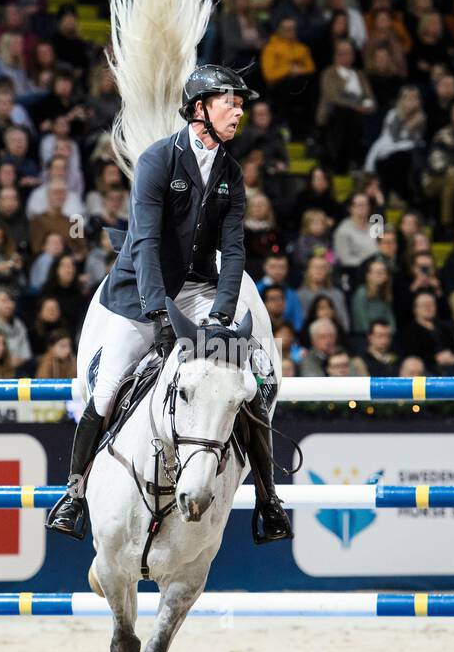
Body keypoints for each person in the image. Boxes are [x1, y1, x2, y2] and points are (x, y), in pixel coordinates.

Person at [45, 65, 292, 545]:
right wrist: (158, 313)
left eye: (240, 104)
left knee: (249, 377)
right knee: (110, 383)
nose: (239, 110)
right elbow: (145, 245)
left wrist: (221, 315)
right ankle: (74, 492)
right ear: (200, 109)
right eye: (230, 102)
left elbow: (235, 250)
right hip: (140, 291)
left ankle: (268, 497)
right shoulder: (159, 160)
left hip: (200, 289)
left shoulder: (231, 173)